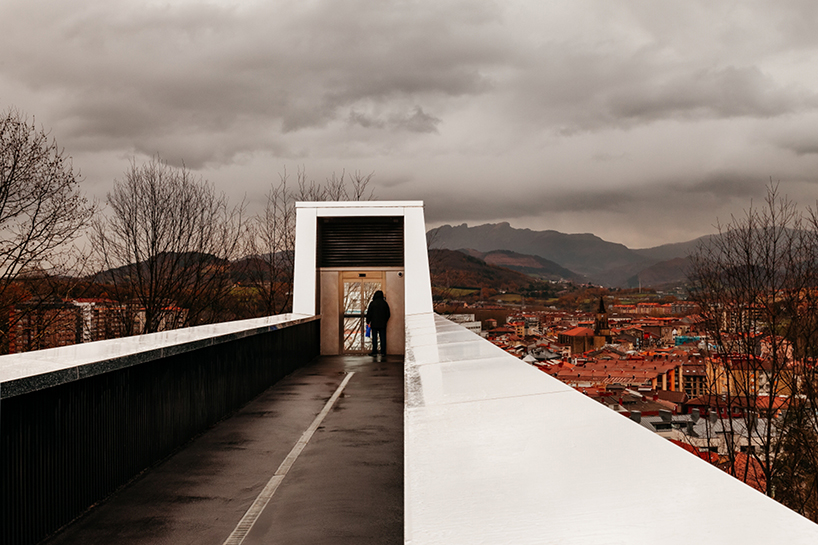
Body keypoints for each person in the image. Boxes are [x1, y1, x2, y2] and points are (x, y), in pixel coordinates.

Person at [365, 290, 390, 356]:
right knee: (383, 338)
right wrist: (385, 320)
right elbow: (388, 314)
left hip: (374, 324)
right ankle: (383, 351)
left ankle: (374, 351)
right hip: (382, 324)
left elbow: (369, 313)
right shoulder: (384, 303)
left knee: (374, 338)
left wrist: (368, 321)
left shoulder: (372, 303)